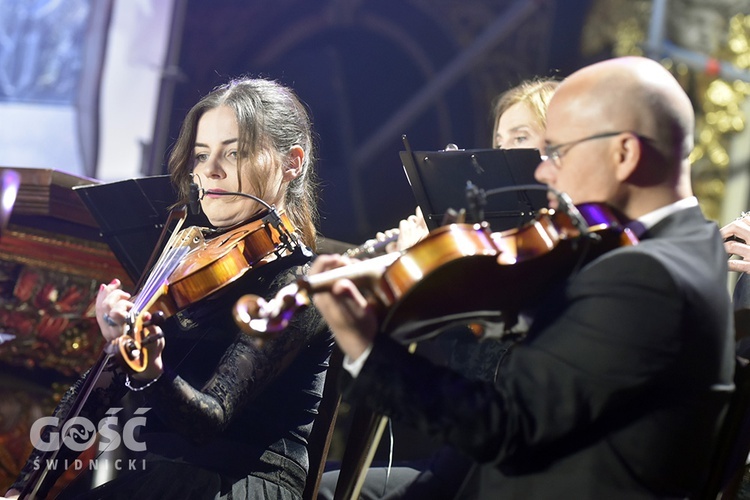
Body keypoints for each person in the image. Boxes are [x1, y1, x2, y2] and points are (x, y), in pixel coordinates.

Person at [311, 55, 735, 499]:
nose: (542, 171)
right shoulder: (696, 243)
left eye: (557, 152)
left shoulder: (642, 274)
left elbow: (504, 432)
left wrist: (366, 348)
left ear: (624, 153)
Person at [4, 77, 332, 500]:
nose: (210, 170)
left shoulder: (300, 283)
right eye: (201, 154)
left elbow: (208, 421)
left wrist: (151, 369)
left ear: (292, 163)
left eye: (234, 152)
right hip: (164, 481)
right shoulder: (188, 257)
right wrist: (25, 488)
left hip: (242, 485)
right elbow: (98, 391)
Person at [317, 78, 560, 499]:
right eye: (497, 142)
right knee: (325, 485)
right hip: (466, 459)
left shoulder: (556, 255)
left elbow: (487, 368)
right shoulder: (488, 249)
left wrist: (425, 269)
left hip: (508, 472)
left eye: (519, 139)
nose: (499, 155)